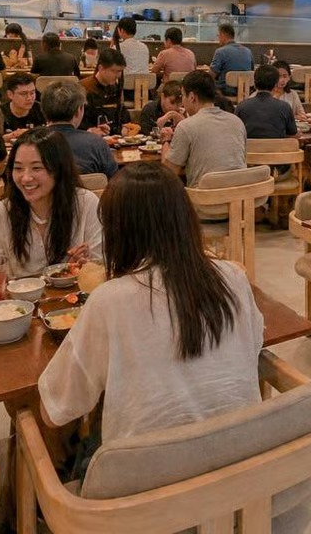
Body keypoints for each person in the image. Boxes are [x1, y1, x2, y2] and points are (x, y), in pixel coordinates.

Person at [38, 162, 263, 451]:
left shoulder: (108, 300)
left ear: (118, 232)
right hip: (241, 456)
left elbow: (54, 411)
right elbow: (253, 345)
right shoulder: (233, 277)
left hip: (149, 473)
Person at [0, 127, 103, 279]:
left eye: (36, 168)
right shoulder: (1, 213)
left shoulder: (86, 204)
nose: (25, 178)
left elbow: (102, 266)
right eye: (18, 168)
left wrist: (85, 267)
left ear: (59, 169)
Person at [163, 70, 247, 187]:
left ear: (192, 97)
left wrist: (166, 140)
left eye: (183, 96)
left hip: (204, 196)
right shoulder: (237, 122)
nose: (182, 102)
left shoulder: (186, 126)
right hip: (240, 194)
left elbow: (168, 173)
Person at [42, 82, 118, 177]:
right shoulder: (97, 144)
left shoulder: (29, 143)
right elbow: (114, 181)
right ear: (79, 110)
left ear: (43, 110)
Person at [235, 65, 297, 140]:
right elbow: (292, 133)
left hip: (250, 147)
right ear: (275, 84)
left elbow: (235, 131)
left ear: (254, 84)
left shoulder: (241, 106)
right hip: (277, 147)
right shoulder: (285, 107)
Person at [78, 47, 130, 136]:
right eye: (113, 71)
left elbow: (122, 114)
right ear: (101, 68)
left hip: (113, 136)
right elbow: (75, 120)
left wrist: (125, 126)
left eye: (120, 71)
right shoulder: (84, 88)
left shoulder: (115, 88)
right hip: (89, 137)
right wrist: (89, 130)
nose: (118, 75)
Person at [0, 72, 45, 140]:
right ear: (10, 94)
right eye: (23, 94)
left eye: (32, 93)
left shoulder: (42, 109)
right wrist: (12, 135)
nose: (29, 98)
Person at [209, 22, 253, 96]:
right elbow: (251, 71)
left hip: (225, 92)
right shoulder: (248, 51)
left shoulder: (220, 52)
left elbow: (211, 76)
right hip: (245, 91)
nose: (218, 38)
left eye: (218, 35)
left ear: (223, 35)